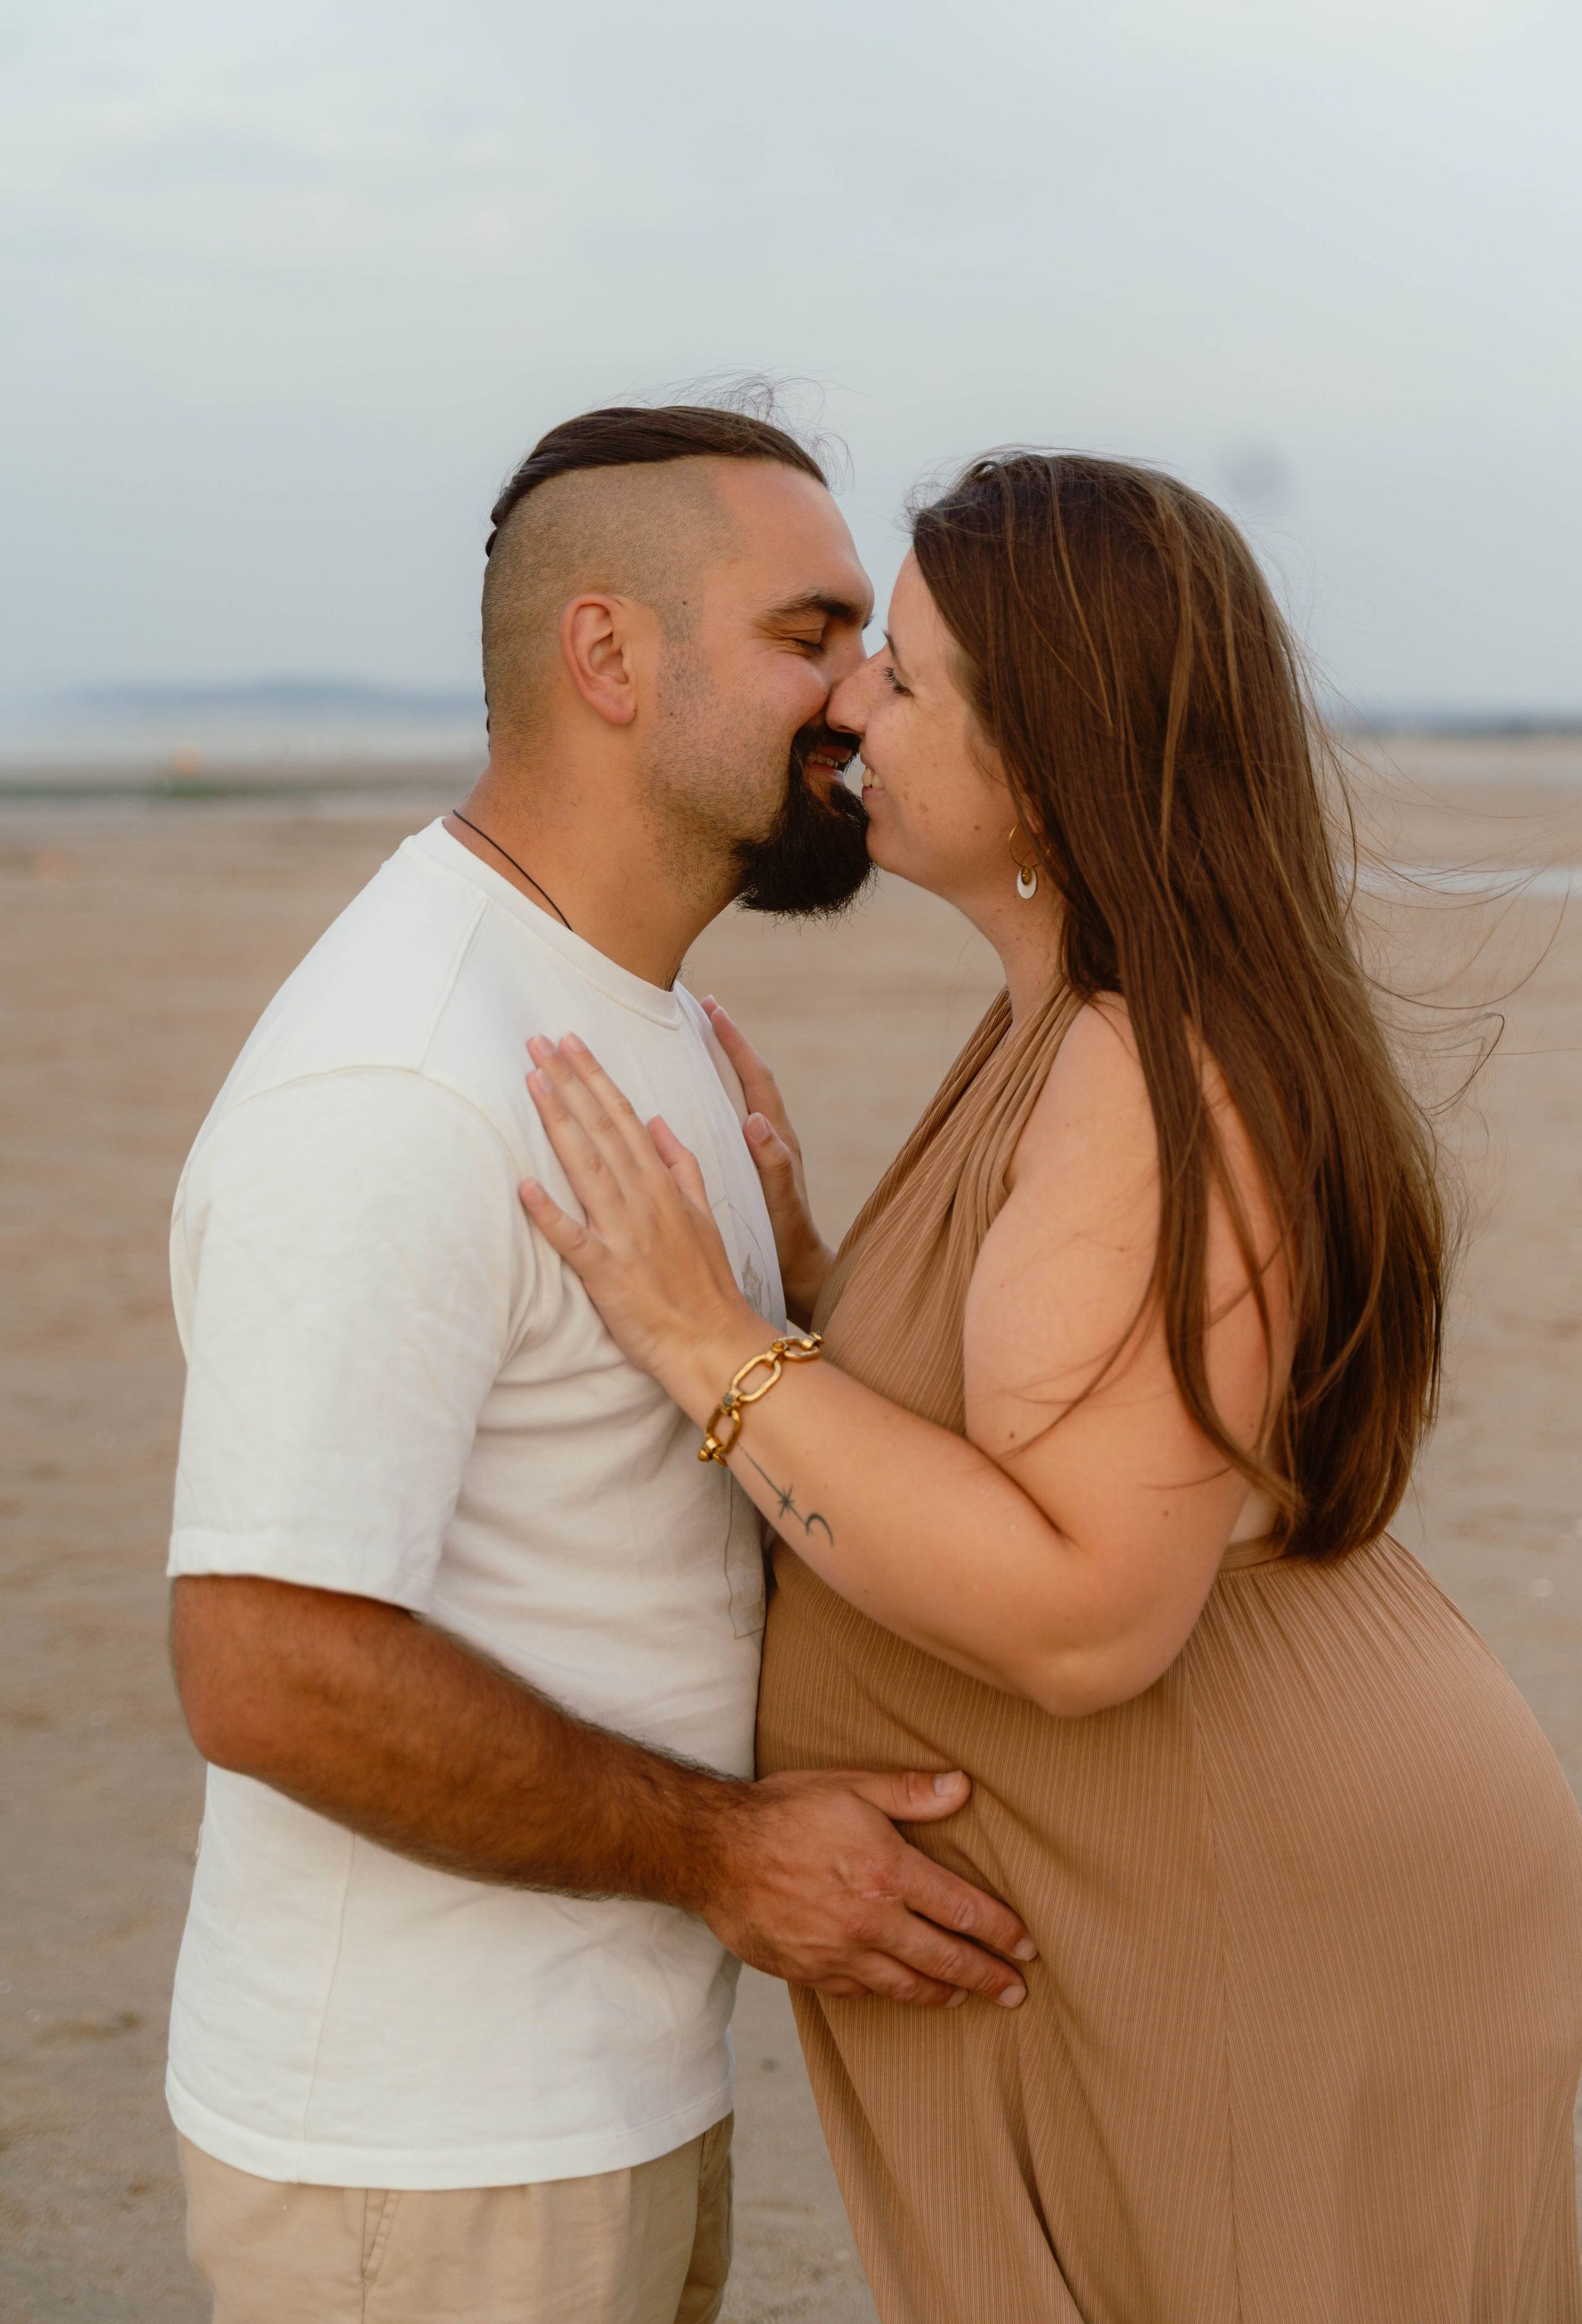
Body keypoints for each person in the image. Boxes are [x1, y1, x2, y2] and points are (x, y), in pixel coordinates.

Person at [518, 450, 1582, 2323]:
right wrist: (833, 1289)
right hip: (1184, 1885)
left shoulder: (1145, 1071)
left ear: (1053, 757)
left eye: (908, 676)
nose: (853, 700)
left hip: (1245, 1919)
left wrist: (710, 1340)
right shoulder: (1067, 1018)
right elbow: (1064, 1413)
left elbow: (1091, 1613)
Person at [163, 402, 1036, 2324]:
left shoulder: (638, 1014)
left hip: (602, 2086)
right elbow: (266, 1662)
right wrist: (727, 1855)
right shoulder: (402, 1076)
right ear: (611, 658)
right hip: (431, 2155)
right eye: (813, 636)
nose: (864, 697)